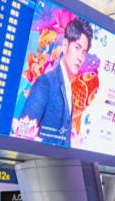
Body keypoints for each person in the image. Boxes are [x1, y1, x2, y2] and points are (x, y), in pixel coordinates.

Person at [16, 18, 93, 147]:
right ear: (65, 45)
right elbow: (23, 130)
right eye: (77, 48)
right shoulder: (45, 83)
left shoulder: (68, 89)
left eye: (84, 52)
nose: (80, 57)